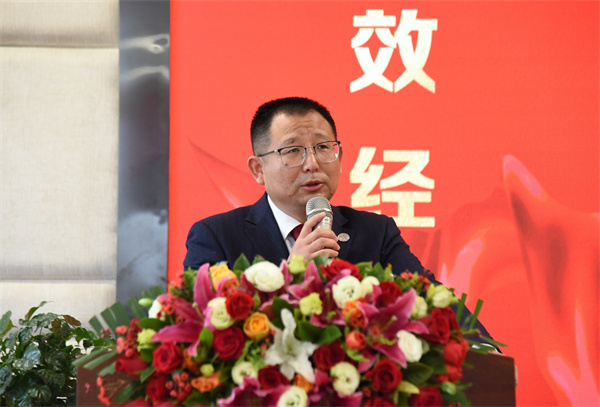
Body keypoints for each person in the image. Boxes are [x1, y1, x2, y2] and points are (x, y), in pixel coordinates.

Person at [183, 96, 495, 340]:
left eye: (322, 147)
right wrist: (291, 275)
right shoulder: (216, 237)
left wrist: (483, 350)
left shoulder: (376, 233)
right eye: (293, 151)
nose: (312, 163)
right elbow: (201, 335)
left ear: (340, 157)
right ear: (258, 169)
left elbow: (434, 301)